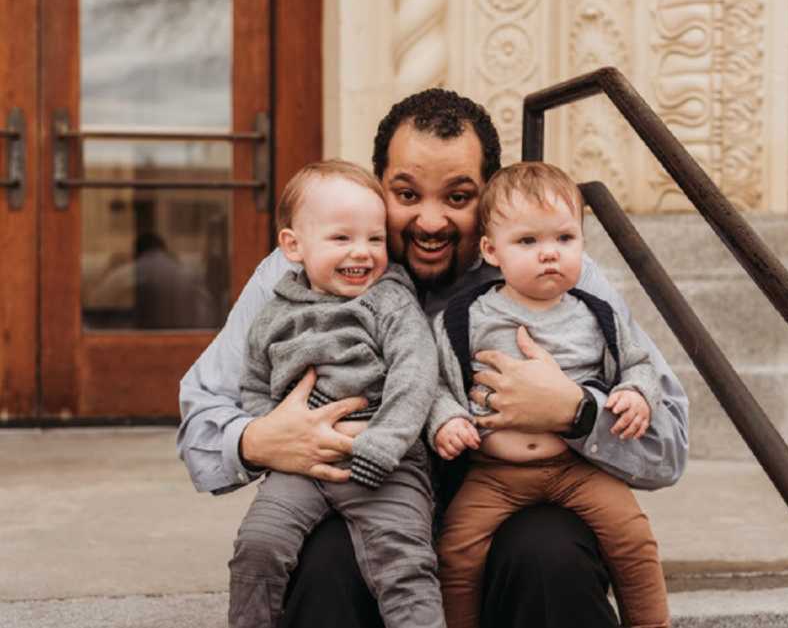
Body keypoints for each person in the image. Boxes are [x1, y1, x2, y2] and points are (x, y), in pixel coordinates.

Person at [178, 87, 689, 628]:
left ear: (487, 194)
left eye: (458, 197)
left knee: (550, 551)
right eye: (406, 194)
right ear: (380, 186)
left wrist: (577, 411)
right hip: (363, 494)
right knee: (327, 559)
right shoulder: (298, 276)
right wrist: (258, 440)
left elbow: (669, 444)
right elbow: (200, 422)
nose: (429, 221)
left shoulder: (556, 274)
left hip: (513, 500)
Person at [427, 162, 669, 628]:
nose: (549, 254)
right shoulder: (466, 318)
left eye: (564, 238)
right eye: (528, 242)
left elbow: (639, 364)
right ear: (491, 251)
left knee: (634, 542)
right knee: (456, 553)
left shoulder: (597, 315)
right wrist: (447, 419)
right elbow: (434, 382)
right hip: (495, 474)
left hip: (576, 469)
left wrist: (637, 394)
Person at [227, 160, 444, 628]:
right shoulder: (273, 313)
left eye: (375, 238)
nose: (362, 252)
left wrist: (383, 445)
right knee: (258, 546)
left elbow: (416, 374)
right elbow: (253, 384)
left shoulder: (389, 301)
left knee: (405, 566)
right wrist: (276, 440)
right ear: (293, 245)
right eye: (342, 238)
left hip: (384, 464)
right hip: (300, 467)